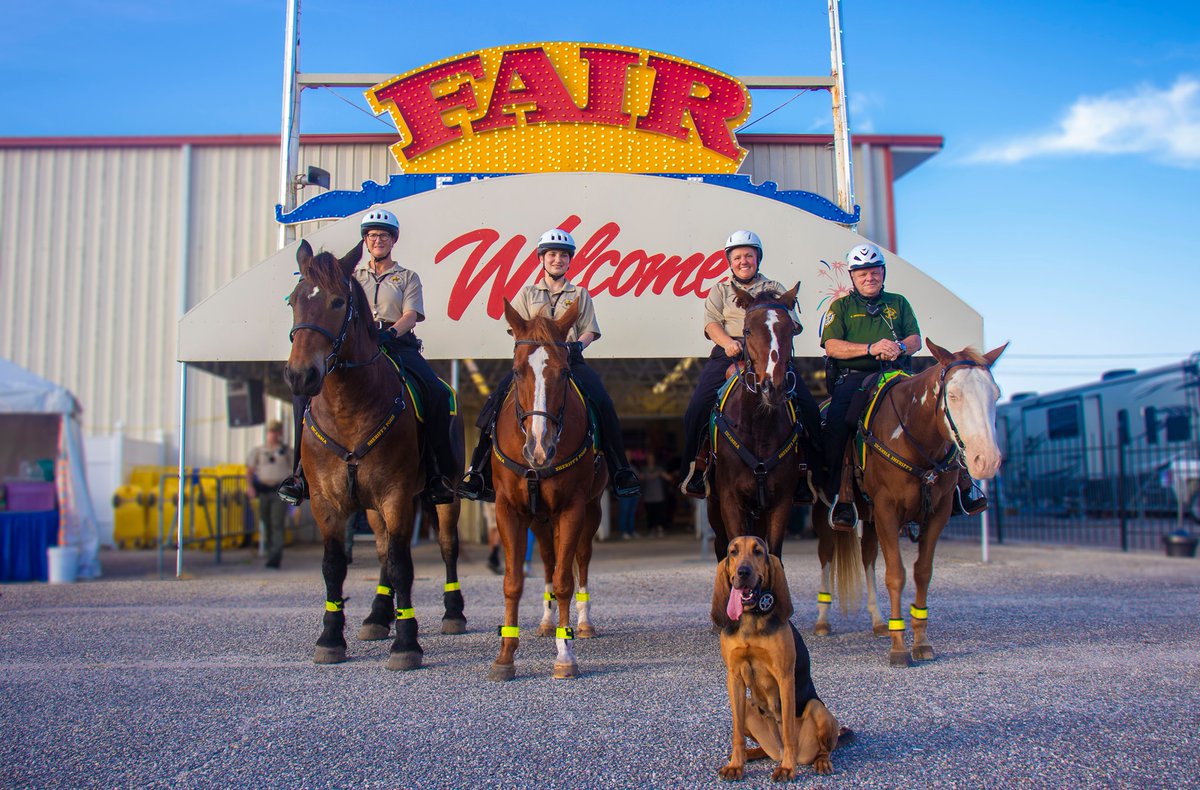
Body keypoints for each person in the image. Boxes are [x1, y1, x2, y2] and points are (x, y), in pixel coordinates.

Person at [278, 207, 457, 506]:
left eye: (384, 235)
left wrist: (391, 333)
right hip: (355, 346)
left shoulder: (407, 277)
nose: (378, 240)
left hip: (395, 343)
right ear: (365, 240)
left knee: (437, 392)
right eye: (373, 235)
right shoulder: (348, 277)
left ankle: (438, 473)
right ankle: (298, 473)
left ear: (393, 240)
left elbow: (411, 314)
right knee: (303, 395)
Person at [456, 228, 641, 501]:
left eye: (564, 255)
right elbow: (517, 330)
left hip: (569, 362)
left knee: (603, 402)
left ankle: (621, 469)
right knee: (494, 403)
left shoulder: (579, 294)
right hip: (533, 364)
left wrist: (580, 344)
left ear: (569, 260)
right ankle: (477, 471)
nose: (558, 259)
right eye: (552, 254)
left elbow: (589, 329)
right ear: (542, 259)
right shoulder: (527, 293)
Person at [820, 241, 987, 529]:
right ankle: (842, 495)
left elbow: (915, 340)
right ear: (852, 277)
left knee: (939, 411)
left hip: (897, 374)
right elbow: (832, 346)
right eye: (862, 273)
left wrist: (898, 346)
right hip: (857, 377)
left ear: (883, 273)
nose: (869, 277)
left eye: (874, 272)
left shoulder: (898, 303)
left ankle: (963, 484)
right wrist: (871, 348)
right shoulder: (841, 307)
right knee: (839, 423)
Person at [678, 230, 825, 501]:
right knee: (697, 406)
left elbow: (792, 323)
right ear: (729, 261)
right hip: (730, 352)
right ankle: (695, 469)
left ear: (758, 258)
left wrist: (770, 336)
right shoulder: (720, 290)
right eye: (737, 257)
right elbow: (711, 324)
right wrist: (728, 344)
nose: (744, 261)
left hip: (770, 353)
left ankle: (813, 474)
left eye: (749, 255)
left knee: (809, 409)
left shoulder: (776, 288)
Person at [246, 420, 294, 568]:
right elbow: (250, 470)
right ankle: (270, 549)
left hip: (279, 491)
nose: (272, 435)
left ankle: (275, 556)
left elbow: (294, 470)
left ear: (279, 433)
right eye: (270, 432)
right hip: (263, 491)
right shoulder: (259, 451)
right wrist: (250, 487)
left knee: (277, 523)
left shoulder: (286, 451)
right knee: (266, 522)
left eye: (275, 432)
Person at [641, 451, 672, 537]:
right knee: (650, 514)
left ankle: (659, 528)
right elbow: (639, 478)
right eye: (649, 458)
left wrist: (660, 474)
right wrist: (647, 476)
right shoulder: (644, 469)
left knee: (660, 513)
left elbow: (669, 478)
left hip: (659, 496)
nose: (651, 460)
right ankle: (651, 529)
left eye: (652, 458)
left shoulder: (659, 469)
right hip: (648, 496)